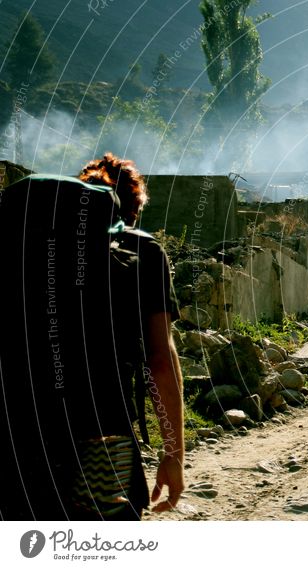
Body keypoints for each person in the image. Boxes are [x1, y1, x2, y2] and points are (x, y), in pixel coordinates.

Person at [0, 153, 184, 520]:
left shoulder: (24, 251)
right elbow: (160, 361)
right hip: (102, 437)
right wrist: (173, 453)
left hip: (19, 434)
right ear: (131, 209)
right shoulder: (143, 252)